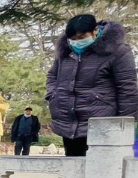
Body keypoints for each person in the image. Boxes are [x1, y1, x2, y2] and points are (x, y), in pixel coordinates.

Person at [47, 14, 138, 157]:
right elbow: (52, 75)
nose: (76, 42)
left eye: (82, 37)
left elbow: (127, 88)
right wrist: (53, 95)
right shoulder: (65, 51)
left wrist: (125, 124)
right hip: (69, 121)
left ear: (95, 30)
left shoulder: (118, 51)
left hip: (102, 122)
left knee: (101, 172)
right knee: (73, 170)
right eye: (73, 39)